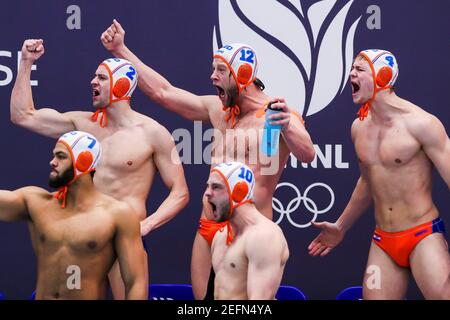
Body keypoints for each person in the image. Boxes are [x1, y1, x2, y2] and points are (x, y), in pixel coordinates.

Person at [101, 19, 315, 299]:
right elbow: (164, 93)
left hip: (249, 231)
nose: (213, 76)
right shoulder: (218, 109)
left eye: (221, 70)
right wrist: (121, 50)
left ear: (242, 74)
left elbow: (307, 153)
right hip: (208, 228)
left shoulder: (275, 116)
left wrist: (287, 125)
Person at [9, 39, 189, 299]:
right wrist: (26, 62)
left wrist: (147, 225)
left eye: (101, 78)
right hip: (83, 237)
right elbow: (22, 115)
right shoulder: (81, 125)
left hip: (122, 237)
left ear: (122, 85)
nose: (93, 82)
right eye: (94, 77)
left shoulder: (154, 134)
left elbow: (180, 192)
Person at [308, 49, 450, 299]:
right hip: (383, 240)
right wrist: (341, 227)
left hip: (422, 234)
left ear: (383, 76)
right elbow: (368, 180)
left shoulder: (422, 124)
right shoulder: (359, 127)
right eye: (351, 68)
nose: (351, 73)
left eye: (360, 69)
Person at [0, 131, 148, 299]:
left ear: (83, 162)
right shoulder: (36, 203)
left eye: (61, 157)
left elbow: (135, 282)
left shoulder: (118, 215)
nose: (52, 162)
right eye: (54, 156)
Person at [204, 162, 289, 299]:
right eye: (208, 186)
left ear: (239, 191)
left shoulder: (264, 236)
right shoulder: (221, 236)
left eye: (216, 187)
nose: (207, 193)